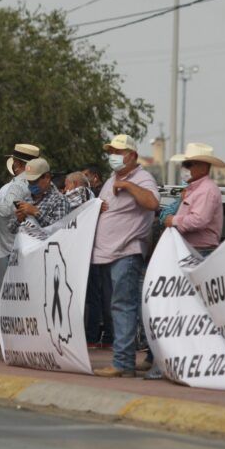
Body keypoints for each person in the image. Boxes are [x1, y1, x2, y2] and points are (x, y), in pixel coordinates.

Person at [92, 135, 159, 378]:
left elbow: (152, 202)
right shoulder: (111, 179)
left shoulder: (142, 178)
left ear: (132, 155)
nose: (113, 156)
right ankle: (128, 360)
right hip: (109, 254)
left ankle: (123, 363)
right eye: (111, 151)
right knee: (120, 307)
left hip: (127, 253)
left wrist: (130, 187)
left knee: (123, 307)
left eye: (118, 152)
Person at [0, 143, 40, 259]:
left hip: (16, 246)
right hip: (31, 242)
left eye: (14, 161)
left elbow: (6, 209)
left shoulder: (18, 184)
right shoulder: (38, 180)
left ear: (18, 163)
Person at [164, 143, 225, 257]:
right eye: (183, 164)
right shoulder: (195, 189)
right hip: (192, 250)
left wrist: (173, 220)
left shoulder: (207, 190)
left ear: (203, 168)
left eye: (188, 164)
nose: (184, 168)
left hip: (200, 252)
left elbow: (198, 220)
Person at [9, 158, 70, 239]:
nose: (31, 185)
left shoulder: (59, 200)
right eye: (29, 181)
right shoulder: (26, 199)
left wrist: (36, 213)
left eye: (34, 181)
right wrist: (19, 220)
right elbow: (11, 230)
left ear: (47, 177)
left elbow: (59, 230)